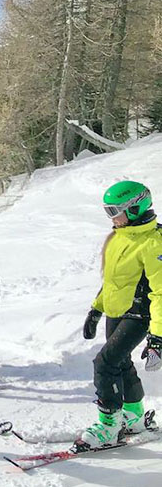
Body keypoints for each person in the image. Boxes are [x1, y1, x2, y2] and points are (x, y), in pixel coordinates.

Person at [79, 181, 162, 448]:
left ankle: (109, 427)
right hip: (117, 311)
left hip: (140, 315)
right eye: (108, 211)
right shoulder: (118, 236)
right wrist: (96, 309)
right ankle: (134, 417)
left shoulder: (154, 242)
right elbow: (113, 281)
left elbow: (161, 292)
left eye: (115, 210)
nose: (112, 217)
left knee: (104, 364)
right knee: (121, 363)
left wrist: (158, 337)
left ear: (136, 207)